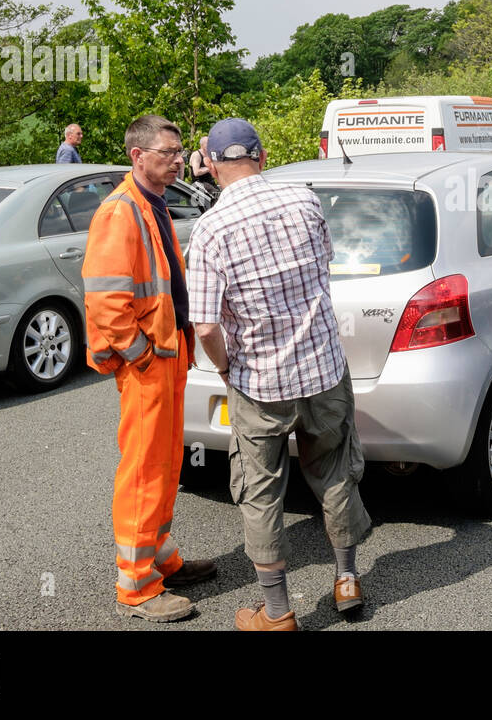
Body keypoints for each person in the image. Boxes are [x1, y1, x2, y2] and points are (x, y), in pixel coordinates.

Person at [187, 118, 371, 632]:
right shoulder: (305, 200)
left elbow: (204, 325)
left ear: (211, 165)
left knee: (259, 490)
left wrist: (226, 368)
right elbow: (323, 266)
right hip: (324, 370)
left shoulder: (210, 229)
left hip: (259, 384)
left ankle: (277, 613)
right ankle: (347, 579)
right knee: (335, 471)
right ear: (262, 157)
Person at [82, 114, 217, 623]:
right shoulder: (121, 212)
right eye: (168, 151)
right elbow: (106, 300)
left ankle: (160, 559)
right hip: (148, 363)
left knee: (163, 465)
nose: (179, 159)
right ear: (138, 156)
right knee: (143, 470)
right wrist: (139, 353)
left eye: (180, 151)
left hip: (166, 356)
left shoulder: (150, 204)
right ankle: (137, 585)